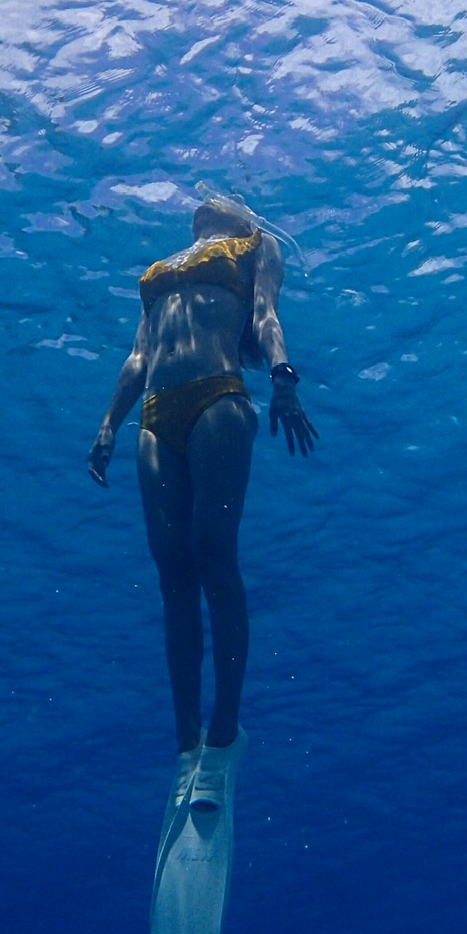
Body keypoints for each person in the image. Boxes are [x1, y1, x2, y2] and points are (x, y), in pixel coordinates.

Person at [87, 195, 316, 784]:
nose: (210, 192)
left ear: (245, 217)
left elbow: (265, 315)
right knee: (172, 575)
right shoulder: (161, 270)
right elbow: (140, 353)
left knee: (214, 553)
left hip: (218, 394)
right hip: (156, 414)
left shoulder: (256, 247)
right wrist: (110, 422)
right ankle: (187, 737)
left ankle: (225, 726)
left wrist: (285, 380)